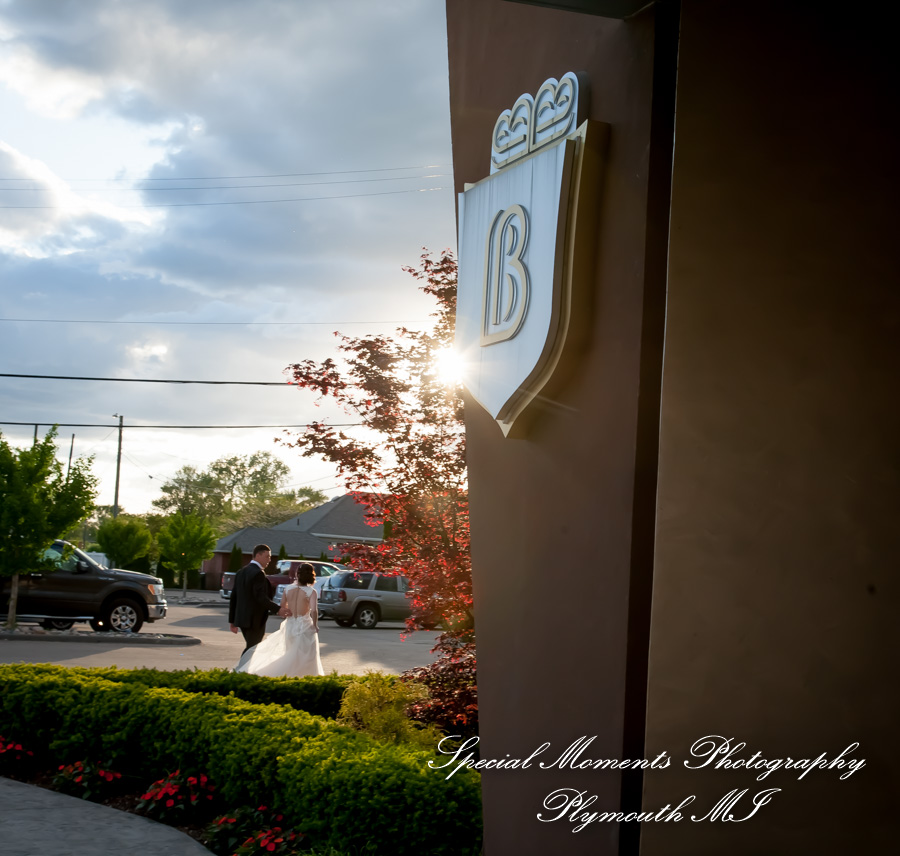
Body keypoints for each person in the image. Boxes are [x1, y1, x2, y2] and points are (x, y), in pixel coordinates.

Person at [234, 562, 324, 677]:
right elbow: (314, 610)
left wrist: (289, 612)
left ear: (298, 574)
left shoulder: (287, 589)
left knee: (290, 651)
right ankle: (305, 676)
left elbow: (283, 607)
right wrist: (315, 624)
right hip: (305, 625)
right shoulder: (311, 592)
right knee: (307, 654)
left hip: (290, 624)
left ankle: (288, 674)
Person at [228, 544, 286, 652]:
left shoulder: (241, 572)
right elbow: (260, 597)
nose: (269, 560)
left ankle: (243, 669)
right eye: (267, 556)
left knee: (252, 648)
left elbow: (234, 597)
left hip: (241, 619)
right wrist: (278, 609)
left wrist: (232, 620)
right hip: (254, 620)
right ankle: (240, 669)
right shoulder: (258, 573)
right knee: (252, 649)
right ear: (258, 556)